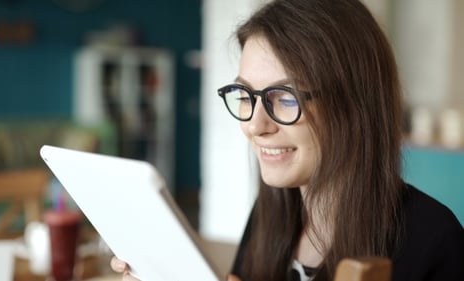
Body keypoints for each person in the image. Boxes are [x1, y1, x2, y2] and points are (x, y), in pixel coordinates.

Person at [111, 0, 464, 280]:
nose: (255, 125)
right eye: (245, 95)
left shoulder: (433, 241)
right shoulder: (271, 215)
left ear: (354, 105)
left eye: (286, 96)